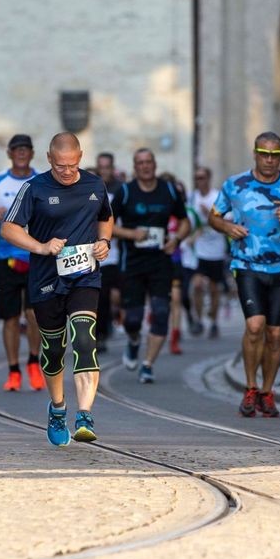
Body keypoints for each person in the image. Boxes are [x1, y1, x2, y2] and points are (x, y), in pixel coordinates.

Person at [2, 133, 113, 445]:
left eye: (72, 165)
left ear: (80, 157)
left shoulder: (94, 185)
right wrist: (41, 246)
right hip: (46, 279)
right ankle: (58, 408)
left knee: (84, 338)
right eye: (61, 165)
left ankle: (85, 414)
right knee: (52, 350)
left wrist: (104, 241)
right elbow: (9, 229)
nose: (67, 171)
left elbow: (105, 217)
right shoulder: (34, 188)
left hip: (85, 275)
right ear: (49, 159)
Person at [209, 132, 280, 417]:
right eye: (264, 154)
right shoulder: (236, 184)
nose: (269, 160)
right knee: (255, 326)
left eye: (275, 155)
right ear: (255, 154)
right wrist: (228, 228)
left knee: (275, 333)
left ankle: (267, 391)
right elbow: (213, 216)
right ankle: (250, 386)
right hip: (247, 265)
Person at [111, 148, 190, 383]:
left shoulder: (169, 191)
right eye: (140, 163)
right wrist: (131, 233)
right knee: (133, 320)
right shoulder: (125, 192)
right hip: (132, 263)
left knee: (161, 312)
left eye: (149, 162)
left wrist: (176, 240)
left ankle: (147, 364)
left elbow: (185, 221)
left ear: (155, 165)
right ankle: (134, 341)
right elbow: (105, 225)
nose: (145, 166)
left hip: (160, 262)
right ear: (135, 167)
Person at [0, 134, 45, 392]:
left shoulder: (42, 180)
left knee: (33, 314)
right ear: (9, 153)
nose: (21, 153)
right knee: (9, 318)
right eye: (16, 150)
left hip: (35, 256)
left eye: (25, 149)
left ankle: (33, 361)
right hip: (5, 258)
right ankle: (13, 371)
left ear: (31, 153)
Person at [188, 166, 226, 338]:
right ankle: (199, 319)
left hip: (216, 250)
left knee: (213, 288)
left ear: (209, 178)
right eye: (197, 178)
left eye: (202, 177)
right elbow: (187, 219)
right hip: (199, 250)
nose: (199, 181)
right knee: (197, 285)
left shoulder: (217, 196)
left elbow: (228, 221)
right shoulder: (192, 197)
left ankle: (214, 322)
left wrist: (210, 214)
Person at [94, 152, 123, 353]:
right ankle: (100, 334)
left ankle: (114, 319)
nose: (104, 171)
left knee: (116, 295)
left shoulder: (120, 190)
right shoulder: (91, 187)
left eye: (107, 167)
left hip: (117, 251)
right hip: (97, 252)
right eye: (101, 167)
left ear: (112, 168)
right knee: (102, 296)